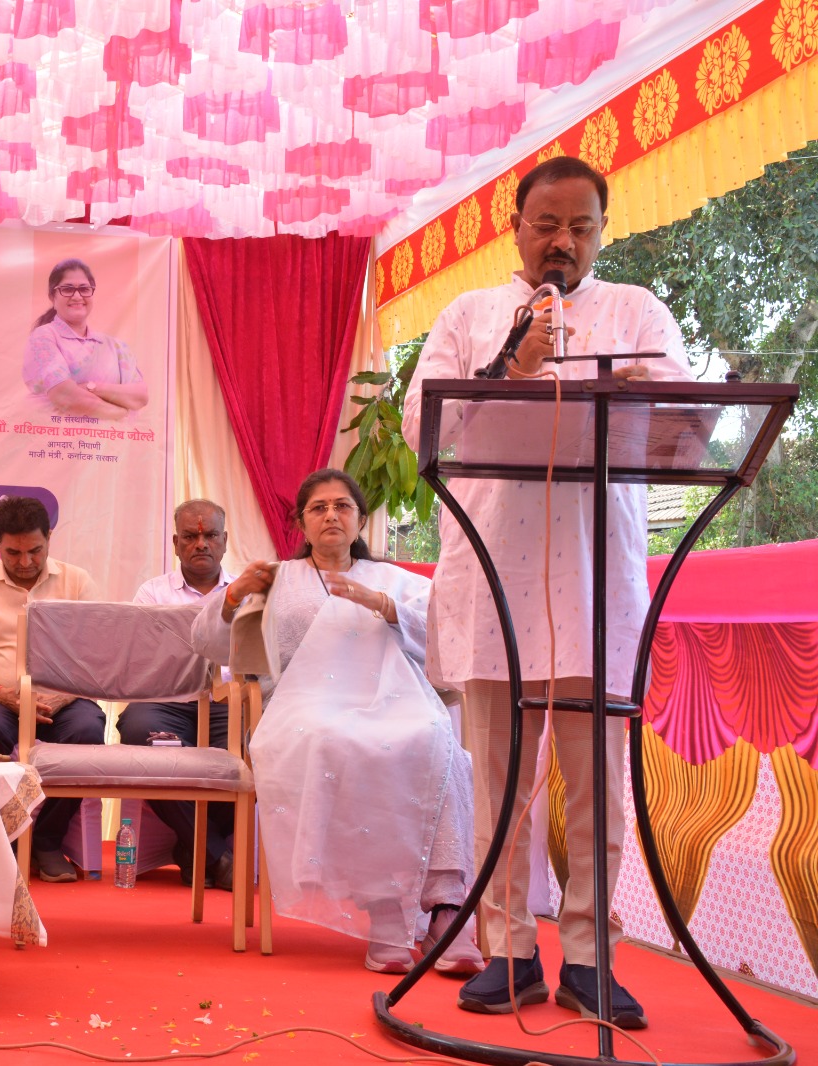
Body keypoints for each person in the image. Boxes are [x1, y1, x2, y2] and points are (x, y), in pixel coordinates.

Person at [401, 156, 691, 1028]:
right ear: (515, 226)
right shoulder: (468, 315)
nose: (562, 241)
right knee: (499, 787)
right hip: (496, 581)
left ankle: (591, 959)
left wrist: (634, 392)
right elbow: (423, 428)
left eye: (580, 227)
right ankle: (510, 952)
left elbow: (680, 418)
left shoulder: (636, 312)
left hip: (596, 583)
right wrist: (511, 364)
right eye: (547, 224)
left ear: (602, 232)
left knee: (597, 788)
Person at [194, 469, 484, 975]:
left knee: (438, 743)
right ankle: (388, 913)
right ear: (301, 523)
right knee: (343, 742)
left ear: (361, 519)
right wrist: (235, 594)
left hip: (395, 703)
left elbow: (449, 638)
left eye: (342, 506)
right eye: (319, 507)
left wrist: (386, 607)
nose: (331, 515)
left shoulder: (396, 581)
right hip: (303, 710)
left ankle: (447, 908)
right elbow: (206, 642)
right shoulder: (276, 579)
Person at [0, 496, 104, 883]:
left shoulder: (76, 582)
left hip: (65, 696)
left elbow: (96, 654)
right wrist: (2, 694)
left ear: (49, 537)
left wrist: (62, 695)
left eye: (35, 550)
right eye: (13, 552)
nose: (24, 562)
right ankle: (4, 841)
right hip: (1, 699)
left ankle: (47, 840)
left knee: (87, 731)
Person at [118, 499, 237, 890]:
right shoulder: (152, 594)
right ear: (175, 543)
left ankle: (195, 850)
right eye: (190, 536)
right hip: (165, 702)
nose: (200, 544)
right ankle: (215, 855)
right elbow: (139, 659)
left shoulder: (245, 593)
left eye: (210, 535)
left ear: (224, 540)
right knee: (140, 733)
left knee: (258, 747)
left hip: (226, 703)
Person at [23, 258, 147, 420]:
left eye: (84, 289)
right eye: (67, 289)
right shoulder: (43, 337)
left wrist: (90, 387)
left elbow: (140, 397)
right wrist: (120, 412)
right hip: (57, 435)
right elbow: (65, 397)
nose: (77, 296)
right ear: (52, 297)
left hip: (113, 436)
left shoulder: (116, 347)